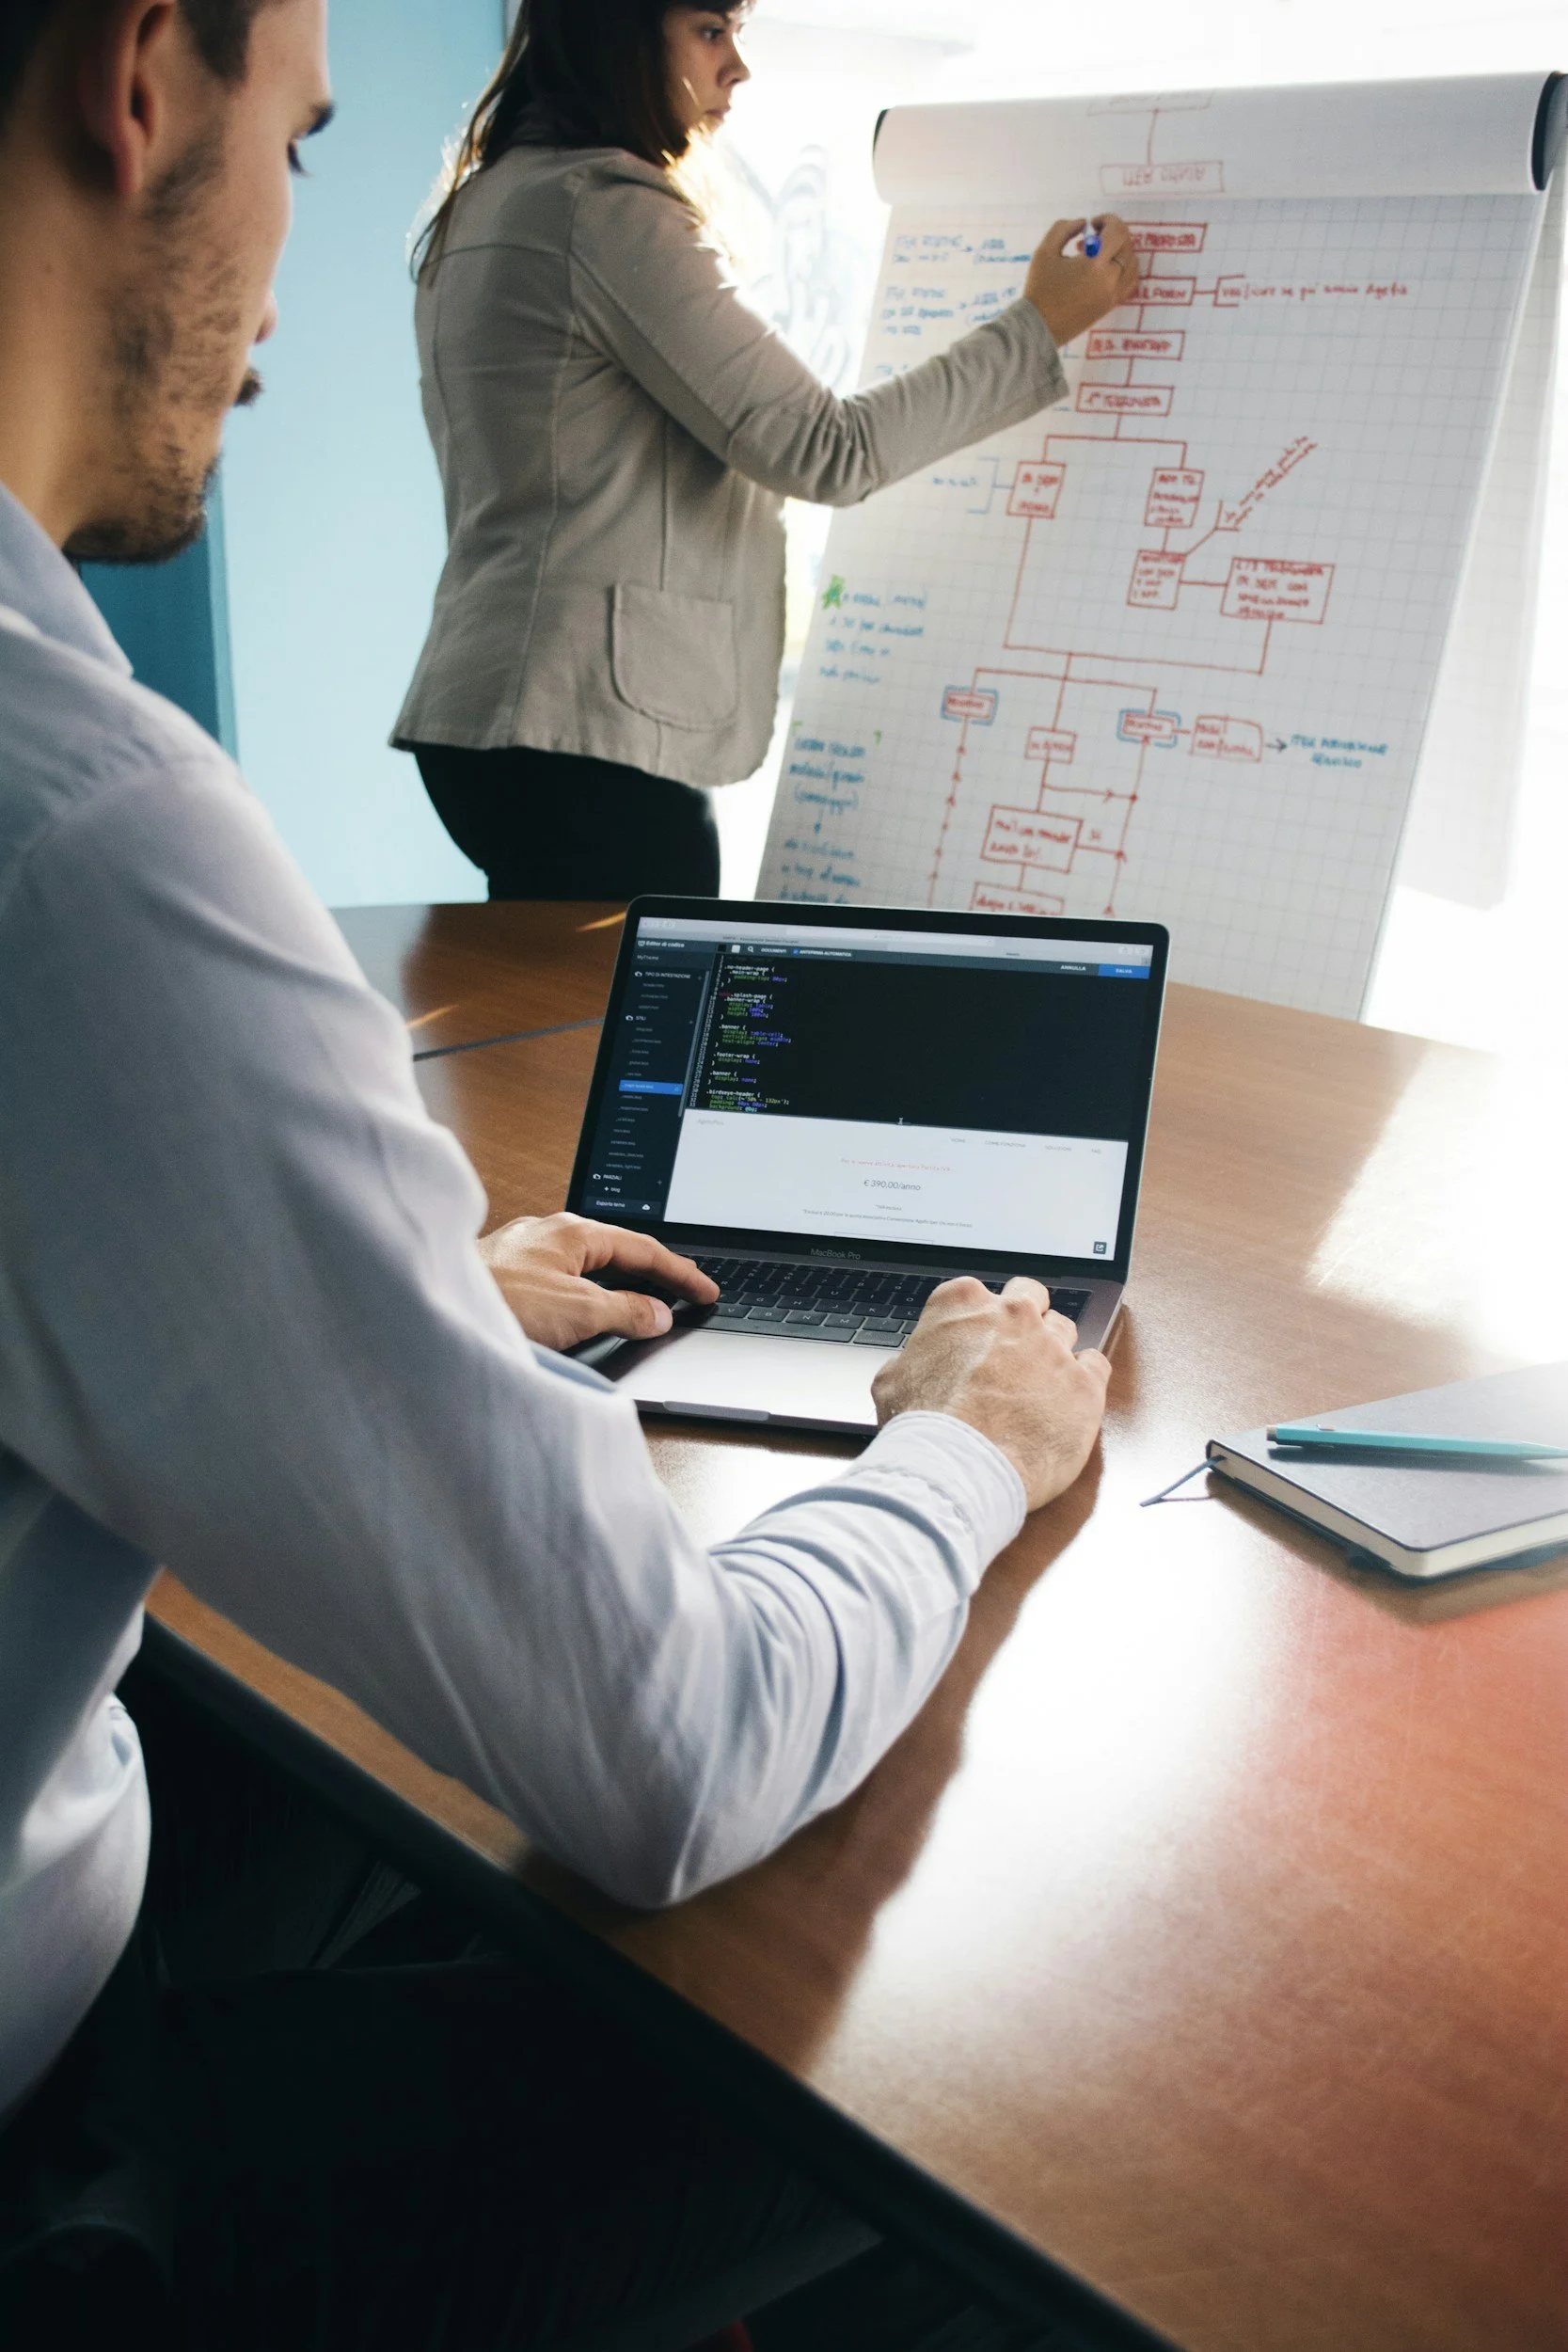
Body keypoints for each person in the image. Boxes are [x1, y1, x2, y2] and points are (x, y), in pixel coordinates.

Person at [0, 0, 1115, 2344]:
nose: (295, 275)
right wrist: (957, 1454)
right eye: (297, 134)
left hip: (81, 1894)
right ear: (136, 86)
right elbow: (673, 1745)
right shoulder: (79, 843)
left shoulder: (481, 220)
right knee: (974, 2076)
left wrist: (394, 1290)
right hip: (61, 2157)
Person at [393, 0, 1138, 900]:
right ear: (619, 35)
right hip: (583, 733)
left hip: (495, 717)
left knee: (558, 1036)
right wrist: (1038, 326)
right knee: (642, 1035)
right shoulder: (601, 212)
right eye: (712, 31)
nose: (736, 67)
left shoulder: (490, 199)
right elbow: (827, 447)